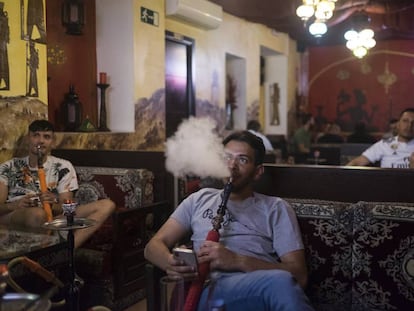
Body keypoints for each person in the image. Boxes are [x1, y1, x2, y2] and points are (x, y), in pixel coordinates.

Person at [144, 131, 313, 310]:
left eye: (242, 160)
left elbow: (299, 276)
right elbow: (152, 247)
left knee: (281, 282)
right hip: (204, 289)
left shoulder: (275, 208)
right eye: (227, 157)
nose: (232, 165)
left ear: (257, 172)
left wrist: (236, 260)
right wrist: (171, 264)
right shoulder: (199, 199)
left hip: (257, 288)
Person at [0, 120, 115, 248]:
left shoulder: (63, 166)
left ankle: (66, 251)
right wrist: (15, 205)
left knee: (107, 205)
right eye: (36, 135)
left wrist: (53, 203)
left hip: (52, 218)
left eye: (46, 137)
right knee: (37, 214)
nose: (41, 141)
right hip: (16, 215)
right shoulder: (8, 167)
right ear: (28, 139)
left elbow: (66, 208)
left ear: (53, 142)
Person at [347, 108, 414, 168]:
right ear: (398, 124)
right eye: (405, 121)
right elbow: (357, 162)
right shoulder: (384, 144)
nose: (409, 126)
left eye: (413, 122)